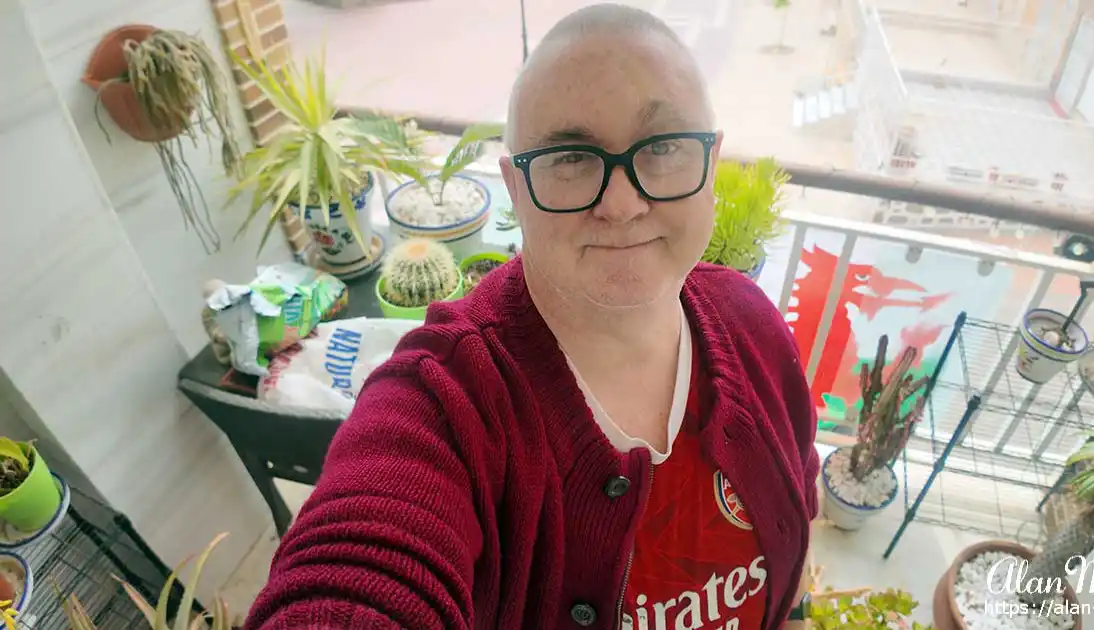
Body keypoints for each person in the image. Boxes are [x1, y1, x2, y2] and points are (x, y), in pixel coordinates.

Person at [244, 4, 819, 629]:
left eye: (667, 146)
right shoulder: (448, 401)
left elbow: (799, 493)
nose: (622, 203)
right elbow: (358, 569)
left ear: (710, 166)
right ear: (514, 190)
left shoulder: (752, 323)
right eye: (570, 158)